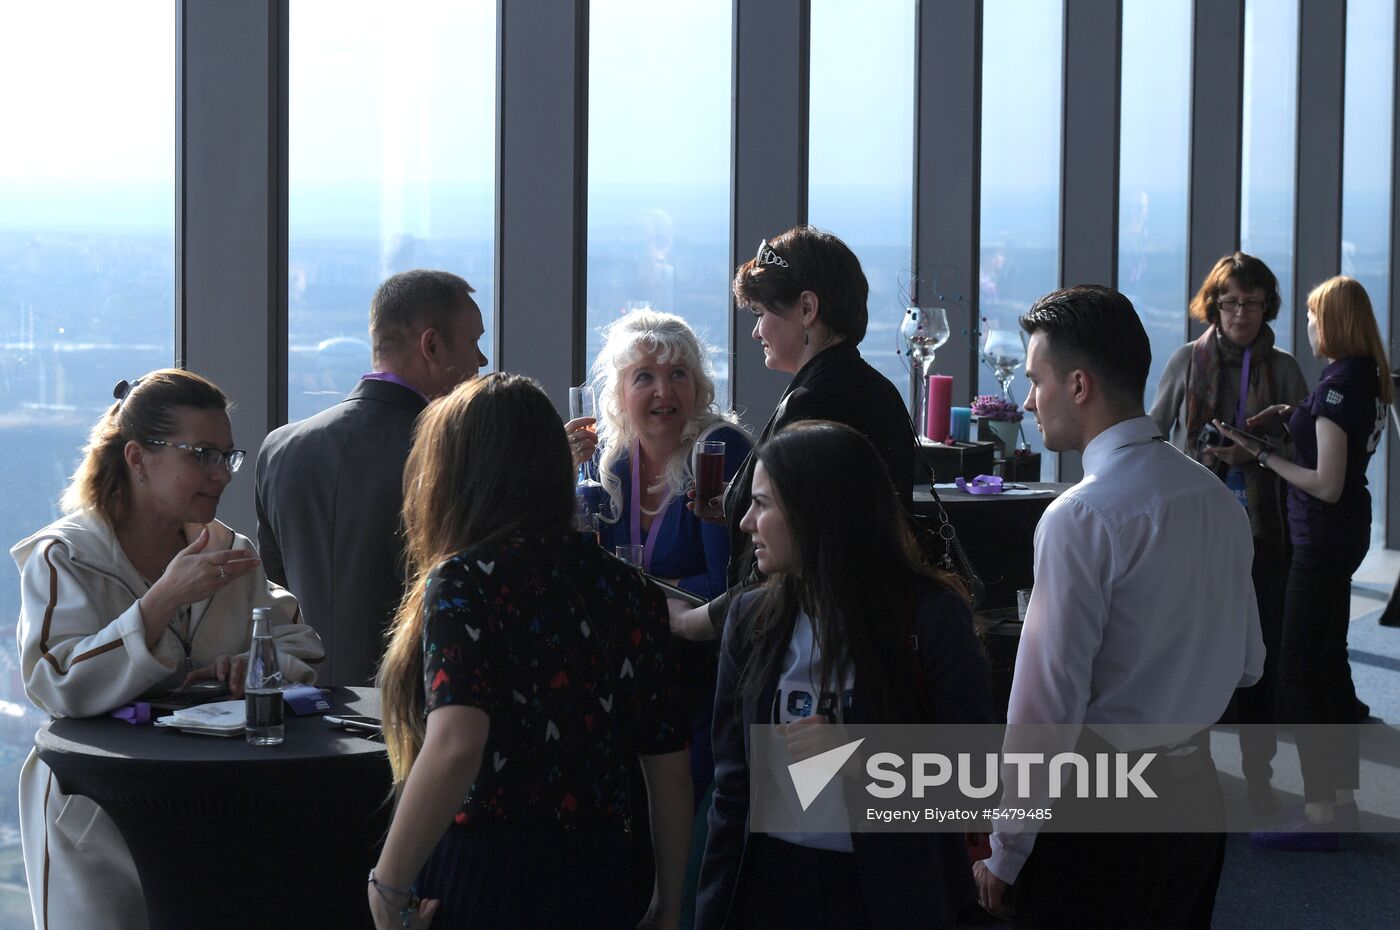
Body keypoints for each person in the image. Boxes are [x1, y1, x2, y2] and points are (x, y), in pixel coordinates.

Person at [972, 286, 1263, 927]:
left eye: (1034, 380)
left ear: (1078, 385)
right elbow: (1248, 664)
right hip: (1195, 799)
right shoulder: (1218, 499)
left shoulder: (1080, 516)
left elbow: (1045, 711)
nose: (1027, 401)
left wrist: (1006, 847)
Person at [369, 373, 693, 930]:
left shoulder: (464, 580)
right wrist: (668, 903)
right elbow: (668, 767)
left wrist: (386, 885)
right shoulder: (629, 589)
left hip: (486, 874)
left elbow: (455, 745)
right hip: (600, 872)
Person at [11, 369, 325, 930]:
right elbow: (55, 680)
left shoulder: (228, 550)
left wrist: (255, 663)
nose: (221, 475)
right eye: (202, 454)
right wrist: (161, 601)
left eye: (227, 456)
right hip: (97, 812)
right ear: (137, 458)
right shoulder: (66, 557)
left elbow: (301, 642)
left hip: (214, 807)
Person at [696, 420, 994, 930]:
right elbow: (732, 794)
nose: (746, 522)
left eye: (763, 504)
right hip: (769, 892)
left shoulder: (928, 618)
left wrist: (861, 757)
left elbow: (978, 778)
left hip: (887, 895)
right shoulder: (749, 620)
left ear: (817, 511)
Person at [669, 226, 920, 642]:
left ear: (806, 308)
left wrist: (690, 623)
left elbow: (791, 567)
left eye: (760, 314)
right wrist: (735, 505)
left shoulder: (812, 403)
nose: (755, 332)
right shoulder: (873, 387)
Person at [1218, 275, 1390, 851]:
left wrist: (1261, 454)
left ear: (1335, 322)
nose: (1310, 327)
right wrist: (1294, 413)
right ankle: (1338, 801)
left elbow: (1326, 482)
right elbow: (1333, 437)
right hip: (1341, 537)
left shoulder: (1340, 385)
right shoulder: (1361, 377)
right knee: (1328, 665)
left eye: (1316, 318)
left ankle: (1320, 811)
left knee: (1298, 673)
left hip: (1321, 538)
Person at [256, 269, 486, 686]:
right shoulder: (457, 454)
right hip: (418, 706)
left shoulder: (280, 449)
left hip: (301, 708)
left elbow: (274, 598)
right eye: (475, 343)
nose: (482, 362)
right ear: (432, 345)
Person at [1149, 251, 1308, 812]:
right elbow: (1153, 434)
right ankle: (1199, 775)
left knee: (1258, 653)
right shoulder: (1188, 360)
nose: (1241, 313)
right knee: (1195, 653)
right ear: (1212, 304)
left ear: (1269, 307)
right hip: (1196, 525)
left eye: (1253, 302)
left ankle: (1260, 778)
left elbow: (1308, 448)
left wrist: (1256, 453)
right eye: (1231, 301)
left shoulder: (1284, 367)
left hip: (1266, 526)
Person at [568, 309, 751, 599]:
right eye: (644, 377)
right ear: (619, 394)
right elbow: (574, 569)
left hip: (697, 641)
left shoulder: (717, 450)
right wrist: (558, 474)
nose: (664, 391)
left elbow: (725, 588)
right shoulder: (602, 457)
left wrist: (637, 591)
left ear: (697, 385)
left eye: (678, 373)